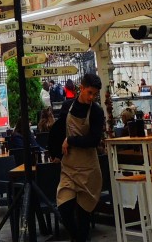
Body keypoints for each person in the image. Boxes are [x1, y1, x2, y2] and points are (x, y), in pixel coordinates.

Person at [49, 72, 105, 242]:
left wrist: (71, 140)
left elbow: (94, 140)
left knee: (83, 217)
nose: (92, 97)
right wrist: (55, 153)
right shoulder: (68, 106)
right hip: (69, 168)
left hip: (89, 169)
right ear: (81, 88)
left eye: (95, 94)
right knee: (64, 208)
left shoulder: (96, 111)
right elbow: (57, 131)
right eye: (89, 93)